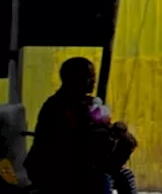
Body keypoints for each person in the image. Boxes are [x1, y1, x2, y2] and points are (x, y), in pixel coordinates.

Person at [25, 57, 138, 194]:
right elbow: (73, 146)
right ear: (72, 79)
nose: (93, 81)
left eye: (93, 77)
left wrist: (116, 131)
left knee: (123, 175)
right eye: (88, 77)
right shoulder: (57, 108)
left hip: (85, 165)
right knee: (105, 179)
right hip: (61, 170)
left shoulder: (86, 104)